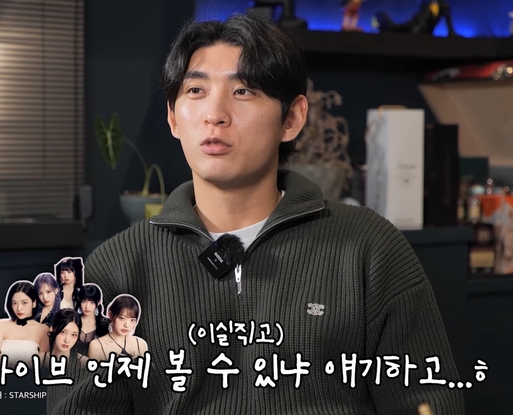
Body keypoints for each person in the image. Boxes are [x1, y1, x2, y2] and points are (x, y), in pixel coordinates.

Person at [47, 13, 464, 414]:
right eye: (196, 90)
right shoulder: (116, 270)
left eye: (243, 90)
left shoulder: (370, 248)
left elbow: (428, 402)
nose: (215, 114)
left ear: (292, 118)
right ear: (173, 117)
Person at [0, 280, 50, 368]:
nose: (19, 308)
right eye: (14, 303)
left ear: (34, 303)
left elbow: (44, 365)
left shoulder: (43, 329)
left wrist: (6, 363)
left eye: (24, 303)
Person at [87, 294, 147, 362]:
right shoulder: (96, 346)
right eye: (122, 318)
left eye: (132, 320)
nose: (127, 325)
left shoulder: (140, 344)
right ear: (110, 315)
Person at [75, 283, 110, 356]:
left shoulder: (105, 324)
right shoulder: (73, 320)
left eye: (92, 302)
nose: (87, 306)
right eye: (83, 301)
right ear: (79, 301)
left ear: (99, 302)